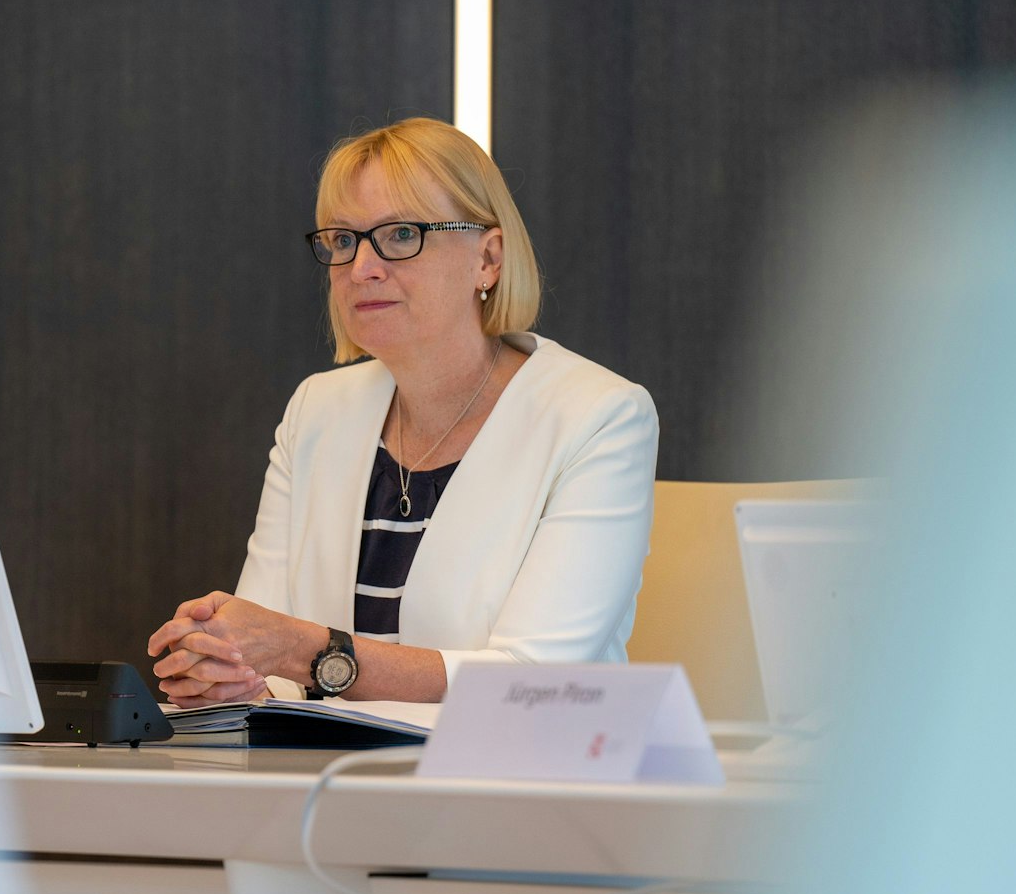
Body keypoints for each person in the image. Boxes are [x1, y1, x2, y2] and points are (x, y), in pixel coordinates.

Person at [146, 117, 659, 706]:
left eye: (400, 235)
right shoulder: (318, 409)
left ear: (488, 259)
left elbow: (530, 680)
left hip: (518, 784)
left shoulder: (598, 415)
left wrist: (305, 652)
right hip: (330, 785)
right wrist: (226, 672)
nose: (361, 267)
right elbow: (271, 656)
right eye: (342, 240)